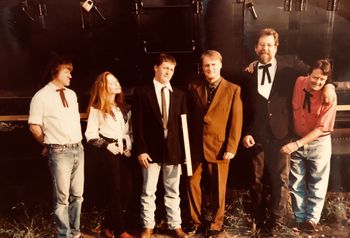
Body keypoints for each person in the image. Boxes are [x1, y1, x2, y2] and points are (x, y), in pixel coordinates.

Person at [241, 28, 336, 234]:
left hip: (281, 134)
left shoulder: (290, 64)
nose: (265, 48)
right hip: (256, 134)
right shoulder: (249, 72)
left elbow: (317, 75)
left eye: (269, 45)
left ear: (276, 47)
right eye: (262, 44)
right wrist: (247, 132)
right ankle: (258, 219)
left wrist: (329, 86)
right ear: (256, 47)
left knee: (280, 180)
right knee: (255, 179)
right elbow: (247, 107)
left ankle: (275, 222)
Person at [186, 50, 243, 237]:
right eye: (206, 65)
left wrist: (232, 148)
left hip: (219, 147)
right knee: (192, 183)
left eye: (213, 65)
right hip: (195, 146)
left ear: (220, 65)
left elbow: (236, 121)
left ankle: (216, 224)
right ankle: (197, 221)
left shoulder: (233, 89)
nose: (210, 68)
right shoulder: (193, 87)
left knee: (219, 187)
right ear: (202, 68)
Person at [132, 54, 188, 238]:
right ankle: (148, 226)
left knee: (173, 190)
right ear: (155, 68)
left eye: (171, 70)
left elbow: (183, 127)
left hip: (173, 151)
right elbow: (137, 124)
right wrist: (140, 150)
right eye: (165, 68)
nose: (168, 72)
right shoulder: (142, 92)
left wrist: (184, 153)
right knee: (148, 190)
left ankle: (175, 225)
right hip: (150, 151)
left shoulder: (179, 94)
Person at [28, 55, 84, 238]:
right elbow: (34, 126)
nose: (71, 76)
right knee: (62, 199)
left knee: (78, 195)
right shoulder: (41, 96)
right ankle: (64, 235)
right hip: (59, 152)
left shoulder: (71, 94)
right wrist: (48, 143)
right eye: (67, 71)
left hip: (78, 149)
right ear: (56, 72)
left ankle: (75, 233)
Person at [280, 59, 337, 232]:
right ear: (308, 74)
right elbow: (281, 64)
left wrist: (330, 87)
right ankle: (299, 218)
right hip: (297, 138)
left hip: (318, 142)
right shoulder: (298, 82)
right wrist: (253, 64)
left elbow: (321, 128)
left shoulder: (330, 96)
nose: (317, 82)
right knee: (296, 181)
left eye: (322, 80)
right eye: (315, 77)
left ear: (327, 80)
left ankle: (311, 220)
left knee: (317, 181)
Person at [85, 71, 134, 238]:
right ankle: (120, 230)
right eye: (111, 82)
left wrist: (129, 145)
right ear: (103, 87)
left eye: (116, 81)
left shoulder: (124, 108)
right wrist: (107, 146)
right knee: (115, 189)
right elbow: (90, 135)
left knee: (128, 189)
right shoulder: (97, 108)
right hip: (109, 152)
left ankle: (107, 226)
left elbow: (130, 131)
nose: (116, 84)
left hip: (124, 151)